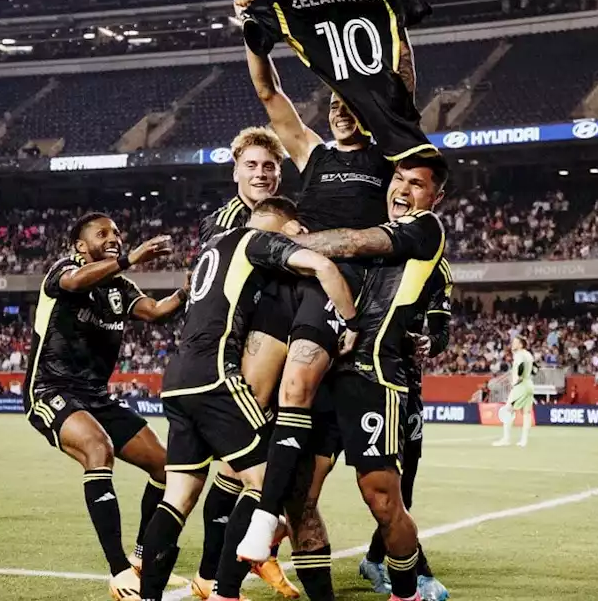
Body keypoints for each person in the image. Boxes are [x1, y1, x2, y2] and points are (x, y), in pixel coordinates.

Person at [233, 0, 413, 579]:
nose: (340, 110)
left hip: (349, 292)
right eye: (334, 103)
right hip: (297, 288)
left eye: (350, 103)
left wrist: (396, 26)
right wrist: (253, 35)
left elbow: (400, 90)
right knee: (262, 406)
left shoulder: (386, 159)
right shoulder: (309, 152)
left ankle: (264, 527)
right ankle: (245, 535)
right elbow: (268, 92)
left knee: (301, 386)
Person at [241, 155, 452, 601]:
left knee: (381, 497)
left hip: (374, 377)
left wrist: (287, 242)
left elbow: (353, 242)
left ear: (436, 196)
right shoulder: (380, 222)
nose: (403, 190)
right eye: (398, 178)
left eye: (416, 184)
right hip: (328, 370)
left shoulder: (425, 227)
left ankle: (406, 590)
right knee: (301, 494)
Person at [137, 197, 358, 601]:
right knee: (270, 477)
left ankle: (148, 596)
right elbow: (323, 266)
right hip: (215, 376)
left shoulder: (213, 247)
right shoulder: (257, 240)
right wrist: (351, 321)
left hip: (177, 379)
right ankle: (227, 590)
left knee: (178, 497)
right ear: (282, 226)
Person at [23, 213, 186, 600]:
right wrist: (132, 258)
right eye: (103, 233)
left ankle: (143, 559)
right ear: (81, 245)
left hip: (96, 396)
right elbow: (76, 283)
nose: (113, 237)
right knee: (98, 450)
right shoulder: (64, 270)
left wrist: (186, 292)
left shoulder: (120, 287)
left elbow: (157, 312)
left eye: (116, 232)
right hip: (50, 389)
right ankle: (119, 572)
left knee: (165, 466)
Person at [191, 127, 301, 600]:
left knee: (260, 465)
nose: (261, 173)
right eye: (252, 165)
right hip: (237, 353)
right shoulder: (229, 220)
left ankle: (249, 556)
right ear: (235, 169)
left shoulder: (276, 215)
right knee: (241, 468)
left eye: (269, 166)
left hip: (274, 347)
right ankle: (212, 572)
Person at [360, 258, 453, 600]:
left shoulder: (436, 268)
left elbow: (441, 330)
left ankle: (376, 560)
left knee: (402, 486)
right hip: (350, 372)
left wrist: (433, 342)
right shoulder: (368, 246)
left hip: (404, 382)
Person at [495, 335, 536, 447]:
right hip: (529, 384)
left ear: (521, 345)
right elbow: (535, 369)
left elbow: (520, 367)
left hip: (521, 385)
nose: (513, 344)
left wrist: (517, 379)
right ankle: (524, 441)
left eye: (515, 342)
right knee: (526, 414)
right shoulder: (529, 354)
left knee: (508, 410)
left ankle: (506, 439)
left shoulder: (519, 355)